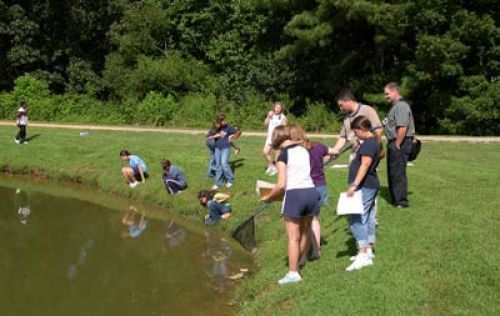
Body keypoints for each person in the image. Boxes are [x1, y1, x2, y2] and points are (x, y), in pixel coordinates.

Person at [261, 124, 319, 285]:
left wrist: (269, 197)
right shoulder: (303, 150)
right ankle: (300, 261)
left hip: (295, 195)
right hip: (311, 193)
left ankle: (293, 273)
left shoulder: (282, 155)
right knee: (306, 230)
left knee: (293, 237)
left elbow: (280, 185)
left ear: (276, 140)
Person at [289, 125, 338, 260]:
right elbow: (334, 152)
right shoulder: (317, 145)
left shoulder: (295, 151)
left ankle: (303, 254)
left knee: (304, 222)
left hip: (305, 187)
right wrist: (325, 160)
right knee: (314, 219)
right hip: (320, 185)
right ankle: (316, 250)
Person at [344, 116, 381, 271]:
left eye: (355, 131)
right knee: (369, 216)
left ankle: (363, 253)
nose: (355, 135)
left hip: (365, 185)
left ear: (361, 129)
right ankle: (369, 249)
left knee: (357, 218)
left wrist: (354, 184)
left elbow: (365, 164)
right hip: (371, 185)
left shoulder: (369, 144)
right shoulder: (373, 142)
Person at [383, 82, 416, 208]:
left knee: (398, 173)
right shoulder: (395, 106)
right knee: (393, 172)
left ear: (395, 91)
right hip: (396, 142)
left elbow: (403, 126)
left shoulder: (401, 106)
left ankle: (401, 201)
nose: (386, 96)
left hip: (399, 143)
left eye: (387, 94)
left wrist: (397, 144)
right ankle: (395, 199)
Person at [330, 89, 382, 161]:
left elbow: (378, 130)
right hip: (354, 154)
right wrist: (333, 151)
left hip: (368, 153)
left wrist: (363, 142)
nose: (340, 109)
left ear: (348, 101)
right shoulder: (346, 118)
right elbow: (343, 138)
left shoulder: (367, 110)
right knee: (353, 171)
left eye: (341, 105)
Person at [206, 115, 237, 189]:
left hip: (226, 148)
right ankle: (218, 183)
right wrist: (215, 136)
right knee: (218, 166)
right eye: (223, 121)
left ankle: (230, 181)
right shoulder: (215, 128)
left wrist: (232, 136)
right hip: (217, 148)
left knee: (224, 164)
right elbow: (207, 137)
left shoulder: (229, 127)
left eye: (225, 120)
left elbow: (237, 132)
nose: (225, 121)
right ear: (219, 122)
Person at [263, 101, 287, 176]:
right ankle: (271, 166)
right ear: (274, 107)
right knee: (265, 152)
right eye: (276, 107)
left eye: (279, 108)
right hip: (269, 138)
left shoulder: (283, 117)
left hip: (278, 139)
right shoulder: (271, 114)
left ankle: (277, 170)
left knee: (277, 157)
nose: (277, 109)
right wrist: (268, 116)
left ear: (281, 109)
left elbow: (284, 129)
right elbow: (265, 124)